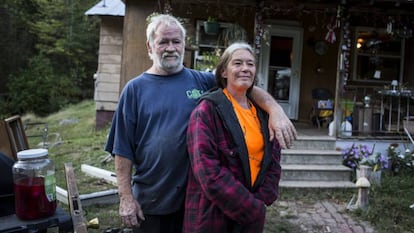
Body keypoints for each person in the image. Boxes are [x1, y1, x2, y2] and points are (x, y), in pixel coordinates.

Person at [105, 14, 294, 233]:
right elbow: (122, 150)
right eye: (163, 42)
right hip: (153, 199)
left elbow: (242, 84)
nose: (170, 48)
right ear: (150, 47)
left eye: (176, 41)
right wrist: (126, 198)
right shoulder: (134, 90)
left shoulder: (201, 81)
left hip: (194, 200)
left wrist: (275, 109)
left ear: (184, 45)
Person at [183, 42, 281, 233]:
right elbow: (208, 172)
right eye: (237, 63)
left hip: (249, 219)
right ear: (224, 72)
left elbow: (274, 162)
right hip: (212, 215)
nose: (245, 68)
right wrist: (251, 207)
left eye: (250, 64)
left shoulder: (264, 114)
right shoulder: (206, 111)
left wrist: (260, 201)